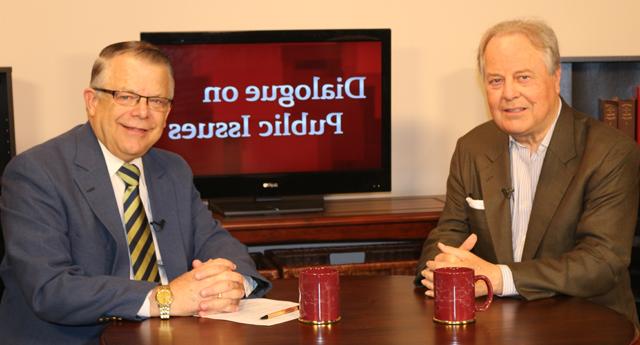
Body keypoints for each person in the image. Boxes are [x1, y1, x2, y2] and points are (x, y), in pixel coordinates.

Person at [0, 41, 272, 344]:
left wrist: (235, 283)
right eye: (126, 96)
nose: (142, 112)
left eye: (157, 101)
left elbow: (218, 243)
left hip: (172, 335)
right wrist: (164, 298)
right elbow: (51, 289)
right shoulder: (36, 172)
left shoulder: (172, 169)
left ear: (168, 112)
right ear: (92, 101)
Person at [416, 19, 640, 325]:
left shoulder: (610, 152)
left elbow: (600, 262)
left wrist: (498, 278)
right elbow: (448, 233)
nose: (509, 93)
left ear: (556, 77)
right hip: (497, 324)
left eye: (523, 77)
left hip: (588, 324)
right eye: (495, 81)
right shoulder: (472, 147)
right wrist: (442, 264)